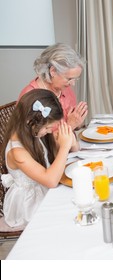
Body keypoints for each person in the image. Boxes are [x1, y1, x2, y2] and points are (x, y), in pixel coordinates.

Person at [1, 89, 77, 228]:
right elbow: (51, 181)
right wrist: (65, 147)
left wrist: (70, 141)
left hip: (43, 190)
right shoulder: (17, 151)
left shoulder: (34, 133)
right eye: (48, 128)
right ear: (30, 121)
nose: (49, 132)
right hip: (28, 205)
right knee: (70, 215)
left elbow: (72, 151)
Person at [19, 43, 88, 130]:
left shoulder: (66, 89)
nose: (73, 83)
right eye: (69, 79)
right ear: (53, 71)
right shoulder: (30, 96)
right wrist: (70, 126)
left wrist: (77, 121)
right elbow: (37, 142)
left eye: (75, 79)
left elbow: (74, 123)